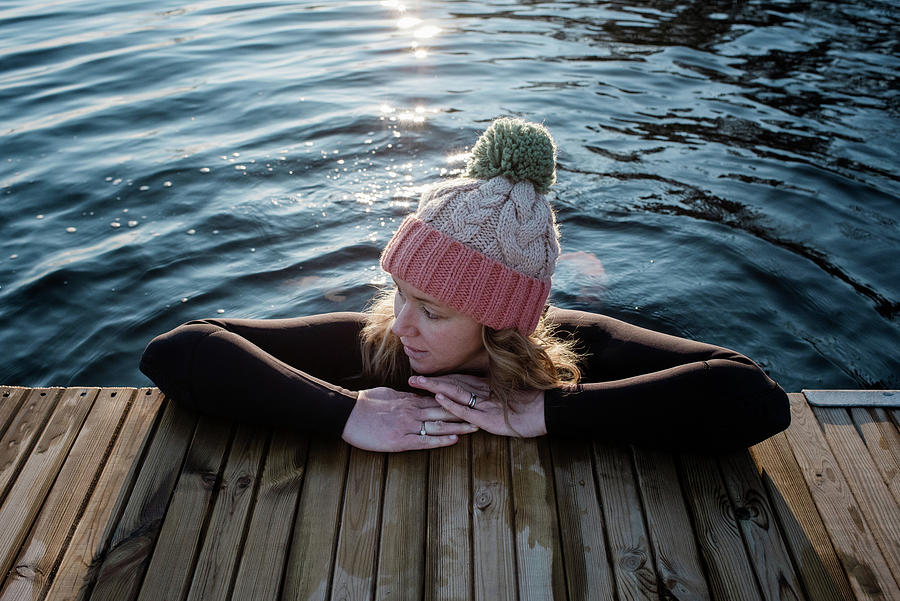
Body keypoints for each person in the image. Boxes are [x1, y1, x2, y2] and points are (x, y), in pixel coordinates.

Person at [140, 118, 790, 453]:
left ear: (500, 321)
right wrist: (348, 412)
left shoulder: (571, 344)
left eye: (433, 310)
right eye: (400, 292)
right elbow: (179, 350)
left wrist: (544, 411)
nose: (401, 323)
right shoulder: (379, 347)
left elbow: (753, 398)